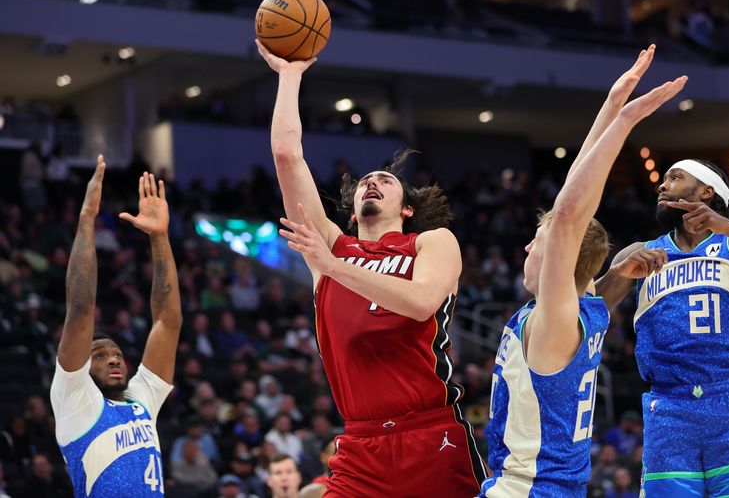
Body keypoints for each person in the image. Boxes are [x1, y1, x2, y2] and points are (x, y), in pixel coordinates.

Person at [256, 40, 486, 496]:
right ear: (354, 205)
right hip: (360, 442)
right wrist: (289, 75)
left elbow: (421, 304)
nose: (372, 184)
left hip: (431, 433)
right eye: (365, 182)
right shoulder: (331, 246)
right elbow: (286, 155)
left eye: (385, 181)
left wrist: (333, 267)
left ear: (406, 209)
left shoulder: (431, 241)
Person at [481, 46, 687, 497]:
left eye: (537, 242)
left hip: (527, 488)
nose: (528, 246)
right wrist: (611, 105)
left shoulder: (556, 318)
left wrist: (624, 122)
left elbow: (569, 214)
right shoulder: (589, 306)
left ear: (558, 255)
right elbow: (566, 215)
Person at [596, 156, 729, 495]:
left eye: (675, 178)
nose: (662, 185)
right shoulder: (643, 253)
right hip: (669, 407)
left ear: (706, 191)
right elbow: (588, 310)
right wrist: (616, 273)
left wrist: (728, 226)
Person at [49, 158, 182, 497]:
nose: (112, 359)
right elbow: (80, 309)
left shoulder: (141, 401)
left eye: (117, 354)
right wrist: (86, 220)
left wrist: (160, 237)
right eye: (99, 355)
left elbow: (168, 322)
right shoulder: (75, 400)